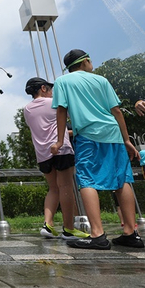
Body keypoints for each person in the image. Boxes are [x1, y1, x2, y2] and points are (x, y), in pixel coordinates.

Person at [51, 49, 143, 249]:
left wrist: (59, 141)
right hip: (113, 134)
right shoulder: (101, 81)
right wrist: (126, 140)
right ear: (84, 62)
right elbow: (116, 111)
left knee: (87, 180)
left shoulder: (62, 82)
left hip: (87, 136)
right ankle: (130, 232)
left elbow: (61, 112)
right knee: (122, 179)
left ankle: (97, 234)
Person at [23, 77, 90, 240]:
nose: (53, 92)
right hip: (61, 149)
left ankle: (48, 224)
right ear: (43, 88)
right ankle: (68, 229)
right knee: (66, 186)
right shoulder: (54, 103)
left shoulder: (27, 109)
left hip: (42, 154)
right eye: (51, 89)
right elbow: (75, 116)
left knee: (53, 188)